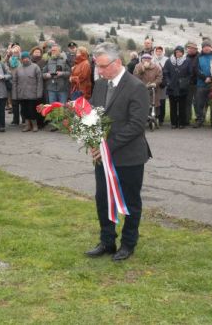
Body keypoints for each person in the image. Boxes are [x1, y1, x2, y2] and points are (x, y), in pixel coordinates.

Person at [87, 42, 151, 261]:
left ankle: (128, 243)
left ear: (117, 62)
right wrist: (91, 138)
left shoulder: (136, 86)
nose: (100, 71)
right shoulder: (100, 84)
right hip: (102, 156)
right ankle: (107, 241)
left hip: (129, 157)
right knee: (103, 199)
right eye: (97, 66)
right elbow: (94, 115)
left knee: (130, 202)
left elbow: (136, 125)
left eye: (103, 66)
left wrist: (107, 146)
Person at [13, 51, 43, 132]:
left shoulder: (35, 67)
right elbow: (15, 82)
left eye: (26, 58)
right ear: (21, 59)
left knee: (32, 110)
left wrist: (39, 93)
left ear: (29, 58)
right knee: (24, 111)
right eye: (23, 58)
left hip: (32, 94)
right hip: (22, 94)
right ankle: (27, 125)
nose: (25, 59)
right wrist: (15, 95)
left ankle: (35, 125)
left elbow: (39, 81)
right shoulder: (18, 69)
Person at [163, 45, 192, 129]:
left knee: (182, 106)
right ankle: (174, 123)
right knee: (173, 106)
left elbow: (190, 73)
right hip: (172, 86)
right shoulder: (169, 61)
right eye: (176, 52)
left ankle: (182, 123)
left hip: (182, 87)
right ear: (174, 52)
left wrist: (185, 82)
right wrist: (168, 82)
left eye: (179, 52)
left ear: (182, 53)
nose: (178, 53)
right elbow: (165, 72)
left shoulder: (187, 61)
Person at [134, 53, 163, 118]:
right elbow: (135, 76)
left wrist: (155, 83)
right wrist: (143, 68)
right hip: (141, 89)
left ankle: (154, 117)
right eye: (145, 59)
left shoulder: (156, 67)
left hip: (153, 89)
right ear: (142, 59)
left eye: (148, 59)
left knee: (153, 104)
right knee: (141, 104)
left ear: (151, 59)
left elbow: (159, 77)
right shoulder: (137, 66)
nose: (146, 60)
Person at [195, 39, 212, 128]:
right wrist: (204, 78)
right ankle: (200, 120)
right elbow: (196, 69)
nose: (206, 48)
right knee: (199, 104)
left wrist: (210, 77)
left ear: (211, 48)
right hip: (201, 84)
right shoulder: (198, 57)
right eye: (204, 47)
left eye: (208, 46)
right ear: (202, 48)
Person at [183, 42, 199, 127]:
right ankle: (187, 119)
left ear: (196, 49)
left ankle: (198, 119)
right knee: (187, 102)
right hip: (188, 83)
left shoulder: (199, 57)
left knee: (197, 102)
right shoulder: (185, 58)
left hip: (197, 82)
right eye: (189, 48)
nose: (190, 49)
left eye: (192, 48)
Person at [152, 45, 168, 124]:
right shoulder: (152, 59)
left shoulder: (166, 60)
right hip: (153, 83)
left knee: (162, 101)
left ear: (162, 51)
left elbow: (167, 71)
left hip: (162, 84)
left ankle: (161, 118)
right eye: (157, 51)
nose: (158, 52)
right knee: (154, 101)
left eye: (160, 51)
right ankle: (154, 117)